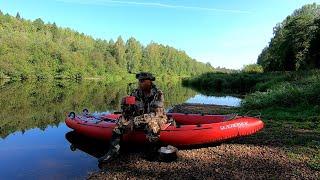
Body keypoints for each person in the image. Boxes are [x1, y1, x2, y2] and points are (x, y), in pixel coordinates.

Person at [98, 72, 168, 163]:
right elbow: (129, 112)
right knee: (120, 122)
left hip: (158, 118)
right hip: (140, 118)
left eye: (142, 81)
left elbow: (155, 114)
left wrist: (134, 120)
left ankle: (152, 152)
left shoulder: (158, 94)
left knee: (152, 124)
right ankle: (113, 151)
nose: (140, 83)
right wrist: (124, 106)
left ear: (149, 82)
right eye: (139, 81)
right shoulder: (135, 93)